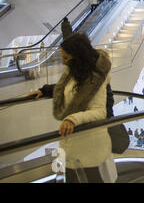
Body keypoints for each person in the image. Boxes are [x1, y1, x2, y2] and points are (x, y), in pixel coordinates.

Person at [24, 33, 114, 183]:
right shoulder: (76, 72)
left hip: (91, 149)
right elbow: (69, 88)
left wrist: (73, 119)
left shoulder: (97, 79)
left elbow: (101, 111)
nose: (63, 62)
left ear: (78, 57)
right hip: (72, 148)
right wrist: (44, 90)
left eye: (66, 58)